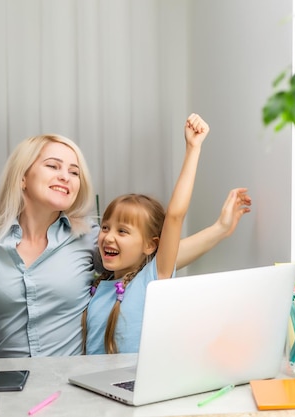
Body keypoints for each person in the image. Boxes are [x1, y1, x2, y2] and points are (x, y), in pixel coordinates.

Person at [0, 130, 251, 358]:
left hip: (70, 391)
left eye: (74, 171)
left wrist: (219, 230)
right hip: (7, 389)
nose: (65, 176)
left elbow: (158, 258)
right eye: (53, 166)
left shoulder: (87, 238)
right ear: (22, 177)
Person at [83, 113, 208, 355]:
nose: (108, 237)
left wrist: (193, 148)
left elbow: (174, 215)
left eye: (123, 231)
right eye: (106, 227)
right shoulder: (98, 287)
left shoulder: (152, 278)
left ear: (151, 245)